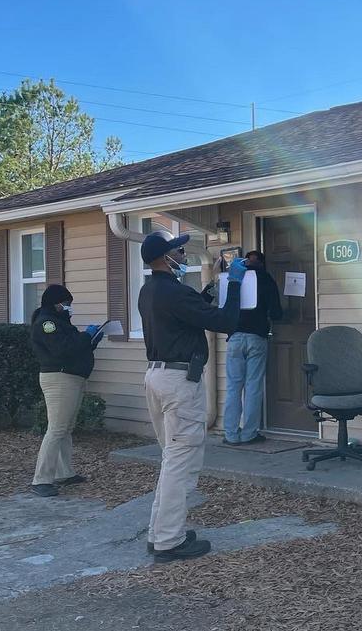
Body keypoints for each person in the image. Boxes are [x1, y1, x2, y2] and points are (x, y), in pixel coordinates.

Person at [138, 229, 246, 563]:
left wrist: (213, 285)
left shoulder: (150, 290)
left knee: (172, 458)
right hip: (179, 382)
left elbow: (193, 310)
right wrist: (237, 283)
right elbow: (225, 320)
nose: (183, 255)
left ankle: (160, 533)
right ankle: (170, 540)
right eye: (178, 252)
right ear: (164, 258)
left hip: (157, 377)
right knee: (180, 461)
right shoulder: (173, 292)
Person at [28, 284, 100, 498]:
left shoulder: (59, 322)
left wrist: (91, 340)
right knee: (57, 429)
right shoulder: (47, 324)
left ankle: (64, 472)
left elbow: (74, 346)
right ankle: (41, 479)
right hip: (59, 378)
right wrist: (87, 336)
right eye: (66, 303)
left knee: (66, 428)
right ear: (55, 303)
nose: (68, 307)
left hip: (71, 377)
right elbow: (63, 349)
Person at [222, 250, 283, 446]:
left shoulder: (234, 279)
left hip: (234, 338)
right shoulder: (266, 279)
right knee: (253, 386)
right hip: (256, 337)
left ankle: (231, 434)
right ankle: (249, 434)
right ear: (263, 264)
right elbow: (276, 312)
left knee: (233, 387)